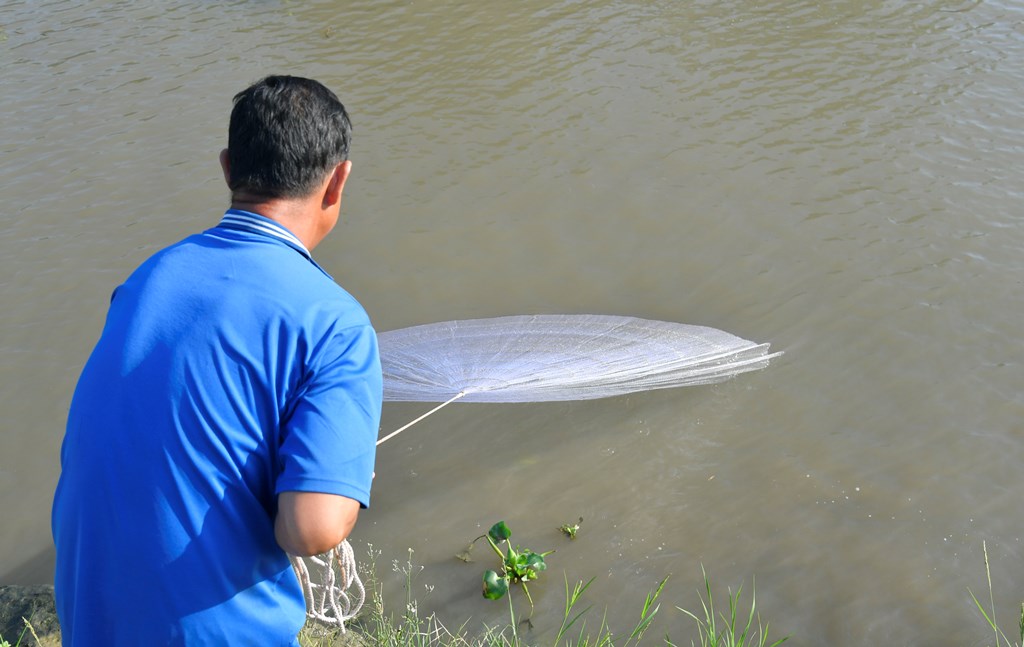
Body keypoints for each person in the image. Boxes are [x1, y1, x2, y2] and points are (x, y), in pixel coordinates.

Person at [51, 75, 383, 645]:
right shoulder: (335, 323)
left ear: (228, 169)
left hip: (90, 619)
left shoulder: (146, 278)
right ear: (337, 183)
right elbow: (312, 528)